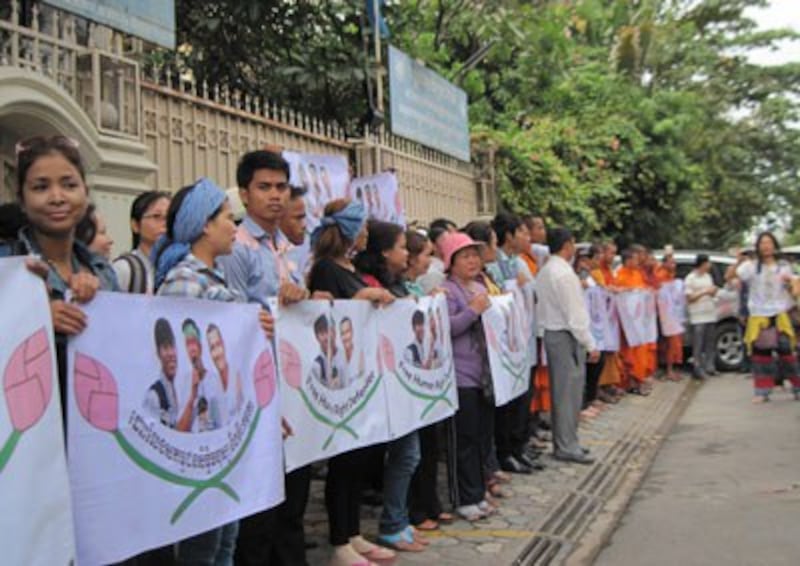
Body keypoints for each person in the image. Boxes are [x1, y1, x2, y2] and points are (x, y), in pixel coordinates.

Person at [153, 177, 270, 566]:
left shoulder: (212, 277)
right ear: (205, 225)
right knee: (203, 546)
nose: (234, 226)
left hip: (223, 430)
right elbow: (182, 368)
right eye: (225, 217)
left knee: (225, 539)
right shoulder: (184, 282)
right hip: (198, 440)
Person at [217, 150, 310, 566]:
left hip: (288, 387)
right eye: (264, 187)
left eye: (281, 187)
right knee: (259, 509)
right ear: (244, 193)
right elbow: (231, 322)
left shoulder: (283, 247)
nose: (275, 196)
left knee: (294, 495)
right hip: (255, 393)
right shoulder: (236, 247)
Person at [306, 199, 396, 566]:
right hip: (338, 379)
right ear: (347, 229)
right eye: (361, 226)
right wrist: (364, 297)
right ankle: (339, 540)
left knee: (358, 460)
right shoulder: (326, 268)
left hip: (361, 375)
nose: (366, 233)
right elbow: (333, 315)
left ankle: (354, 532)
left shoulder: (350, 266)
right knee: (342, 463)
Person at [0, 135, 118, 402]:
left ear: (85, 193)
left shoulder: (103, 273)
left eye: (69, 185)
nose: (57, 197)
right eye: (41, 187)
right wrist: (36, 323)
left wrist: (102, 307)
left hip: (92, 428)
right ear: (21, 198)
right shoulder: (6, 266)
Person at [354, 219, 428, 553]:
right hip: (385, 385)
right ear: (384, 252)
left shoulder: (395, 283)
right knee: (405, 455)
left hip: (402, 382)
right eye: (401, 246)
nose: (406, 254)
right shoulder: (369, 284)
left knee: (409, 454)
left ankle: (398, 520)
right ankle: (392, 523)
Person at [439, 231, 497, 521]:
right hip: (460, 375)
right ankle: (463, 497)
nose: (473, 260)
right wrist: (473, 311)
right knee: (463, 439)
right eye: (465, 256)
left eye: (475, 254)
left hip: (483, 374)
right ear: (450, 262)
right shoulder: (446, 291)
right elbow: (446, 328)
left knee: (479, 436)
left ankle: (477, 492)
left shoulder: (479, 286)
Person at [404, 229, 456, 531]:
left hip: (429, 378)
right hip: (412, 379)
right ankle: (416, 509)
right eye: (425, 254)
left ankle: (431, 504)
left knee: (430, 447)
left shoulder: (416, 287)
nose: (430, 260)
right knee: (414, 452)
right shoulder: (405, 287)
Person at [537, 227, 598, 465]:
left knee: (566, 392)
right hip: (564, 335)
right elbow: (575, 314)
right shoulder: (562, 273)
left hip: (556, 333)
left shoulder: (547, 270)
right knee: (567, 394)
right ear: (567, 245)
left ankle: (568, 441)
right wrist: (589, 343)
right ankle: (566, 445)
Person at [733, 232, 800, 402]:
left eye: (769, 242)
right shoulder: (751, 266)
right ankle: (762, 392)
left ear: (774, 245)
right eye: (763, 243)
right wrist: (738, 262)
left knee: (788, 353)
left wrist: (790, 284)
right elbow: (732, 277)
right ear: (758, 246)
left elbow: (794, 290)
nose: (766, 246)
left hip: (780, 315)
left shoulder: (783, 266)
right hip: (759, 316)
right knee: (761, 355)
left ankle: (797, 388)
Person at [144, 318, 196, 432]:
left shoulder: (177, 389)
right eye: (165, 348)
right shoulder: (154, 396)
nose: (171, 354)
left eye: (172, 347)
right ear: (158, 353)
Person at [113, 190, 170, 294]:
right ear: (135, 225)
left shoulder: (177, 269)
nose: (165, 224)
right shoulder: (125, 268)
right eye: (156, 216)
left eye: (169, 218)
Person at [615, 248, 652, 395]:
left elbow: (641, 291)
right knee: (628, 354)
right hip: (628, 323)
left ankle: (639, 380)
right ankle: (629, 382)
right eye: (635, 259)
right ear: (628, 261)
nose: (638, 262)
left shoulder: (637, 274)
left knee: (640, 352)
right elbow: (621, 297)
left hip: (639, 322)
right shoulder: (620, 276)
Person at [684, 254, 718, 380]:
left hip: (710, 312)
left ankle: (710, 366)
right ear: (702, 263)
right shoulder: (690, 278)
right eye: (708, 263)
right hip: (697, 316)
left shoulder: (708, 276)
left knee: (710, 342)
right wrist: (705, 292)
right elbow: (689, 298)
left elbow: (712, 292)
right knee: (698, 344)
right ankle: (697, 368)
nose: (709, 265)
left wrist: (713, 292)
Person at [206, 323, 244, 427]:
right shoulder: (212, 388)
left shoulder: (238, 376)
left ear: (223, 345)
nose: (217, 353)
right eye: (212, 348)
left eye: (218, 345)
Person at [655, 253, 684, 381]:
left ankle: (670, 369)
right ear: (664, 263)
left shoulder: (673, 278)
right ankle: (667, 370)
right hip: (662, 315)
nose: (674, 265)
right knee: (667, 344)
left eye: (674, 262)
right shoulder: (660, 276)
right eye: (671, 262)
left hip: (672, 316)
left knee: (672, 344)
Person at [418, 218, 457, 293]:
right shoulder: (431, 272)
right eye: (445, 240)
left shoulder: (450, 266)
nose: (450, 243)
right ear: (434, 246)